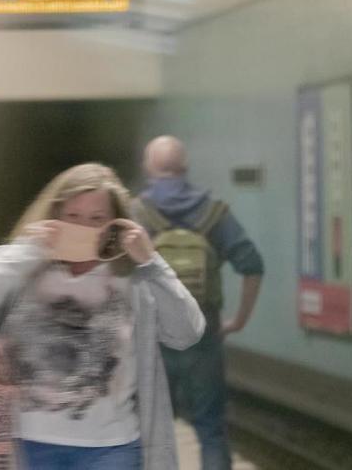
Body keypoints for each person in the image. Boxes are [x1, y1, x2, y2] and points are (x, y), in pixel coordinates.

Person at [0, 162, 205, 470]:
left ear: (116, 223)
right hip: (31, 444)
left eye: (97, 219)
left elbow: (188, 331)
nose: (84, 228)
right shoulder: (23, 263)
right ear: (55, 215)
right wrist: (30, 250)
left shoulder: (132, 276)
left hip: (112, 447)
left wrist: (152, 262)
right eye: (73, 217)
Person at [133, 135, 264, 470]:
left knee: (152, 430)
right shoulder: (215, 213)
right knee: (210, 429)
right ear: (185, 167)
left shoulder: (136, 214)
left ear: (149, 168)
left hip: (153, 335)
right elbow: (253, 265)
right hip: (203, 332)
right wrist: (239, 320)